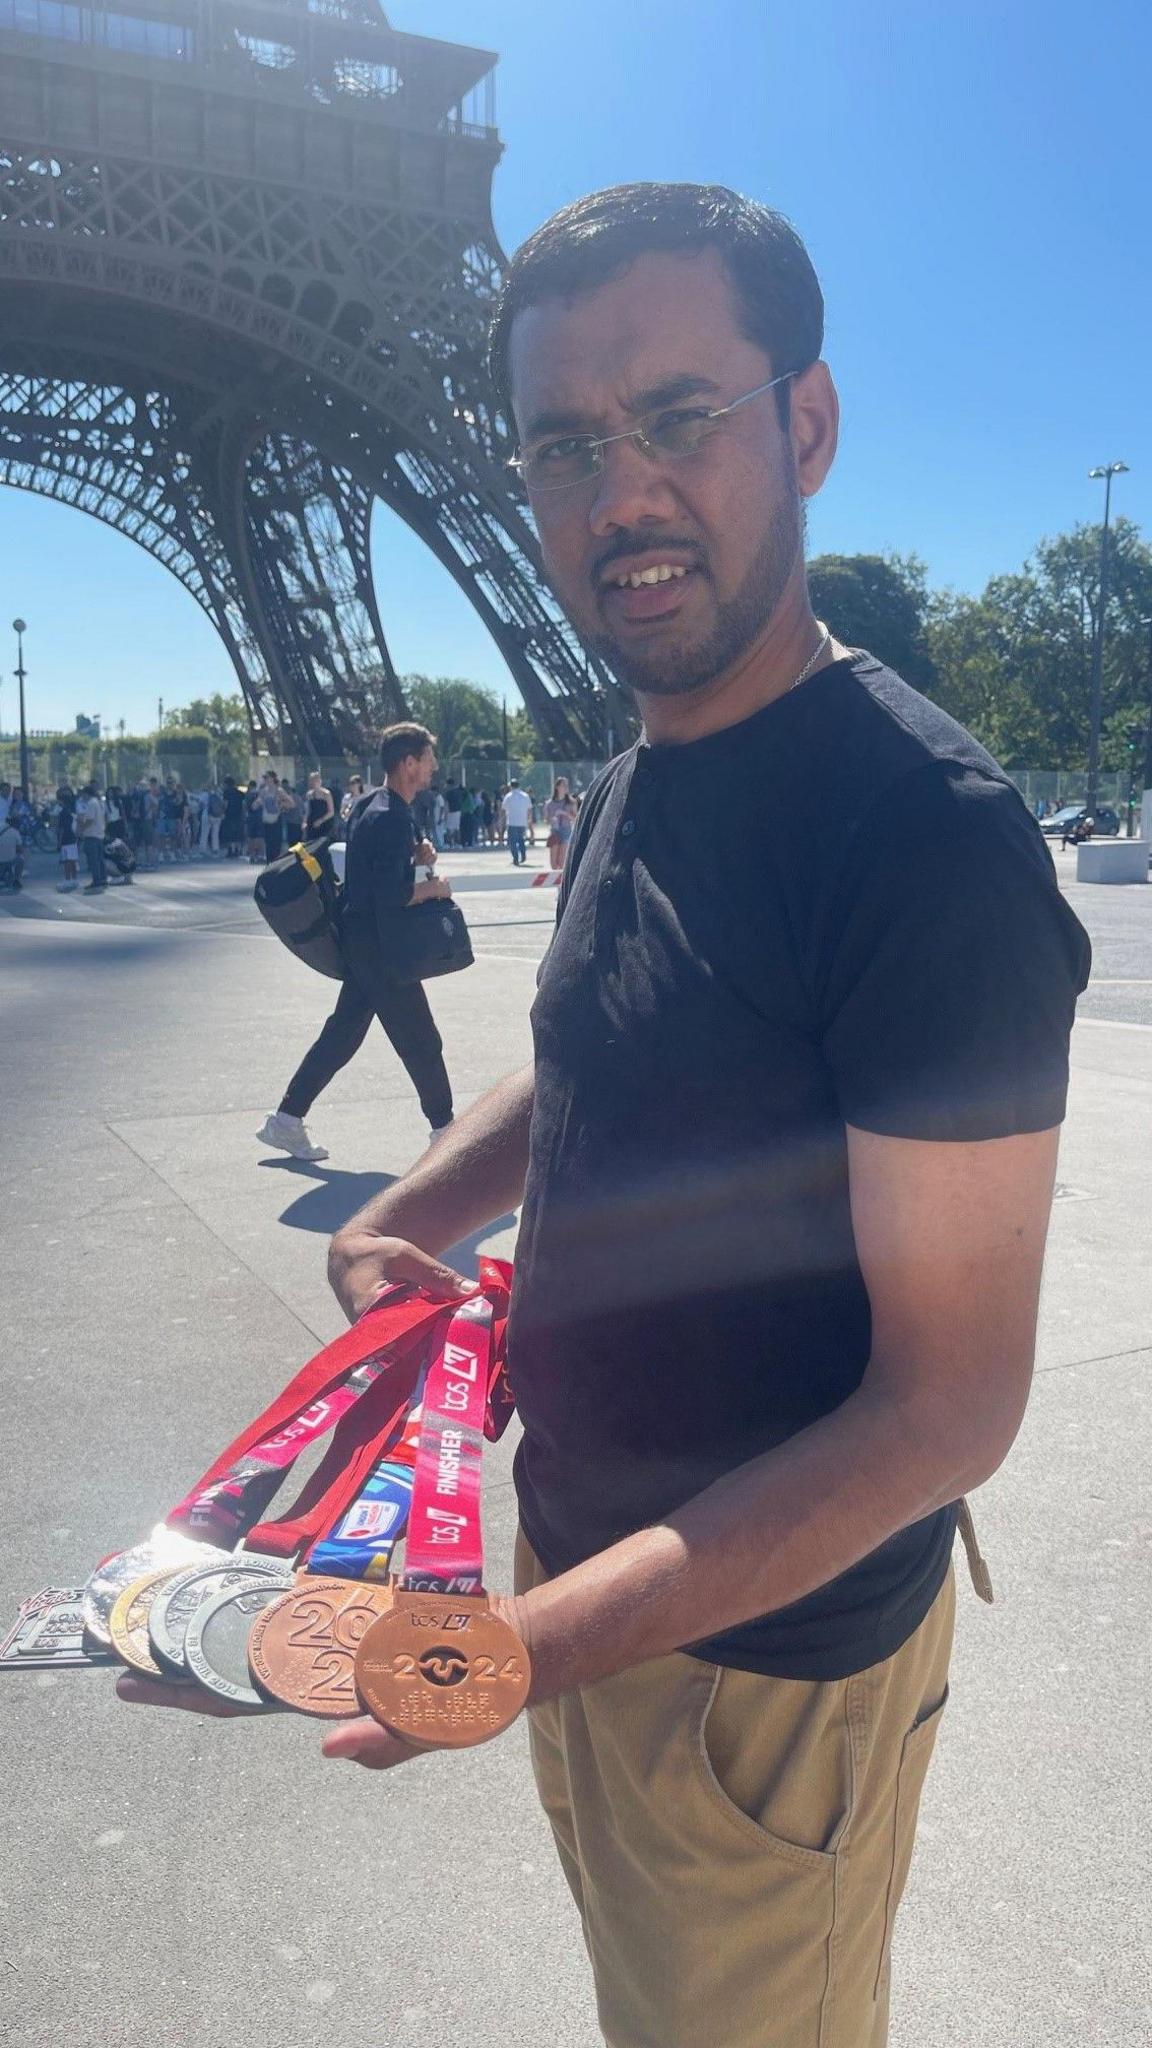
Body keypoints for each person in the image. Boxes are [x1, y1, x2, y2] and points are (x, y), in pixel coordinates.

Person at [118, 184, 1092, 2048]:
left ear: (804, 423)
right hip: (595, 1589)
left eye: (678, 415)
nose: (618, 488)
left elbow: (950, 1401)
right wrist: (418, 1200)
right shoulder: (656, 759)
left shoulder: (925, 846)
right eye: (567, 441)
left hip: (755, 1667)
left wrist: (501, 1654)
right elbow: (590, 1044)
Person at [256, 722, 456, 1160]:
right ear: (408, 764)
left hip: (361, 940)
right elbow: (392, 895)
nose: (433, 766)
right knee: (420, 1039)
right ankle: (445, 1136)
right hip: (383, 947)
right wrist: (436, 888)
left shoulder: (371, 804)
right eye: (427, 758)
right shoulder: (391, 816)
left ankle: (286, 1120)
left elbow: (371, 872)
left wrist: (415, 854)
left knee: (342, 1035)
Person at [74, 783, 107, 892]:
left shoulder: (91, 803)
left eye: (83, 794)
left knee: (93, 860)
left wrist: (81, 829)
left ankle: (97, 880)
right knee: (99, 859)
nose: (82, 797)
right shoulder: (97, 802)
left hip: (92, 835)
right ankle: (102, 879)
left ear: (86, 794)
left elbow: (89, 820)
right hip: (99, 834)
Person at [544, 775, 578, 870]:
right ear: (557, 787)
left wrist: (565, 814)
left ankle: (561, 884)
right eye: (563, 785)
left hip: (566, 831)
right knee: (553, 862)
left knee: (562, 861)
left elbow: (576, 819)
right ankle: (556, 881)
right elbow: (546, 820)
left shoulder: (572, 802)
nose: (565, 787)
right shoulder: (549, 803)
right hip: (554, 831)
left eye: (566, 785)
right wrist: (551, 819)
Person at [257, 770, 290, 863]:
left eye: (267, 777)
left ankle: (275, 866)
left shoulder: (279, 791)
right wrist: (257, 803)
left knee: (276, 846)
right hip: (267, 822)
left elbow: (291, 803)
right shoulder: (263, 791)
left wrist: (281, 804)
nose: (266, 780)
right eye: (265, 778)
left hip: (276, 821)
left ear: (272, 778)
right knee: (268, 846)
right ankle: (269, 865)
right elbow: (257, 803)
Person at [501, 776, 533, 865]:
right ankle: (523, 855)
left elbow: (503, 808)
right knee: (521, 839)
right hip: (522, 821)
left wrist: (502, 820)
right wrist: (529, 818)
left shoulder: (508, 796)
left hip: (511, 822)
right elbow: (530, 808)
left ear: (511, 786)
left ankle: (515, 858)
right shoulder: (525, 796)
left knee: (513, 841)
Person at [55, 784, 79, 893]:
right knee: (72, 859)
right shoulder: (72, 810)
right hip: (73, 838)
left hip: (65, 839)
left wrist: (59, 842)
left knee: (66, 860)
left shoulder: (62, 812)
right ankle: (74, 879)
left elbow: (61, 828)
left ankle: (67, 879)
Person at [305, 771, 335, 839]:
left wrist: (321, 820)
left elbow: (331, 812)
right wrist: (304, 822)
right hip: (312, 823)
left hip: (325, 823)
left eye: (315, 780)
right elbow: (307, 811)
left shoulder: (326, 794)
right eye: (311, 780)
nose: (313, 783)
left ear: (319, 781)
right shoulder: (309, 794)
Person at [221, 776, 245, 858]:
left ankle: (231, 850)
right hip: (239, 815)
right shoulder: (240, 792)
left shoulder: (226, 792)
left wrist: (223, 812)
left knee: (230, 834)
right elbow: (243, 804)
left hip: (229, 815)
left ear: (227, 784)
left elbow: (225, 804)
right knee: (238, 833)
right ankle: (237, 850)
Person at [199, 783, 225, 856]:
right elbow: (223, 805)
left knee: (204, 833)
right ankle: (215, 848)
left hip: (206, 815)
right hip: (217, 816)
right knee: (215, 833)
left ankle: (203, 849)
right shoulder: (219, 794)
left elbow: (200, 804)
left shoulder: (205, 794)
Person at [0, 812, 24, 890]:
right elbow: (20, 850)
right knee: (21, 859)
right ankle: (17, 880)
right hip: (10, 861)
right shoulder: (16, 832)